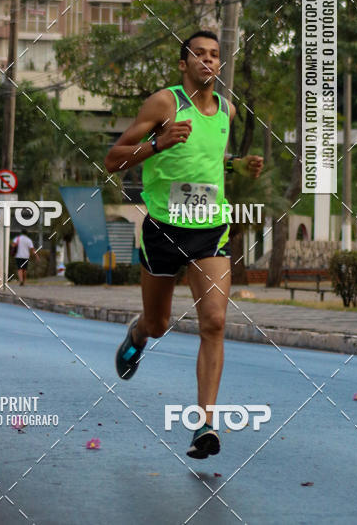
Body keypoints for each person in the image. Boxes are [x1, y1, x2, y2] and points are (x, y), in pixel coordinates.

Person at [104, 30, 263, 460]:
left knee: (213, 321)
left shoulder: (227, 111)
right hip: (162, 227)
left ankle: (205, 426)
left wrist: (237, 165)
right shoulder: (163, 104)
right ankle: (137, 334)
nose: (208, 61)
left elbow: (206, 160)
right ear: (184, 63)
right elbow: (113, 158)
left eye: (215, 55)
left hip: (209, 230)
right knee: (158, 324)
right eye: (200, 54)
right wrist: (158, 142)